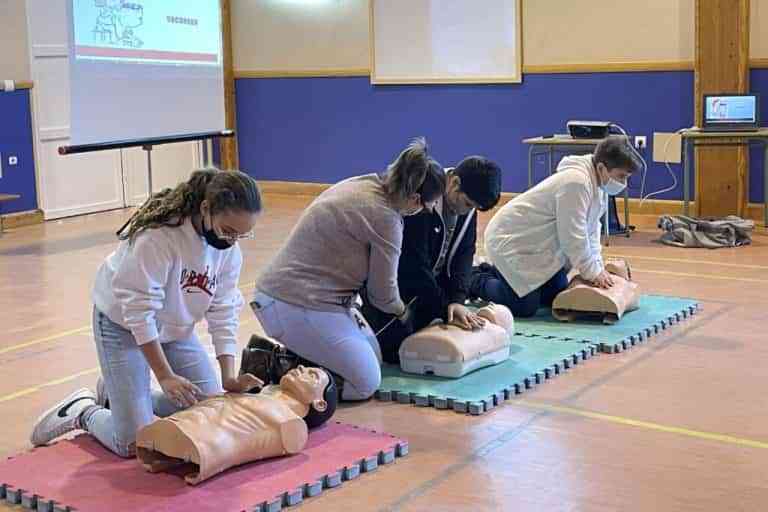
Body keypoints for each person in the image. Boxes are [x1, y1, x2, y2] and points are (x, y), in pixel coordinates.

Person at [30, 168, 263, 458]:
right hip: (122, 324)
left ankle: (118, 396)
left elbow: (224, 309)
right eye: (228, 230)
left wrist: (229, 377)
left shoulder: (229, 250)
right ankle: (83, 412)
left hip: (174, 330)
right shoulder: (158, 237)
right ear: (206, 209)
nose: (232, 241)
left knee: (210, 409)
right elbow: (139, 313)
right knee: (133, 443)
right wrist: (164, 375)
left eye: (242, 234)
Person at [251, 137, 445, 401]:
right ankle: (272, 363)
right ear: (414, 198)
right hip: (296, 302)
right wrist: (403, 312)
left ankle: (291, 356)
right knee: (365, 382)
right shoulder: (386, 219)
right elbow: (382, 295)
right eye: (427, 206)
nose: (428, 211)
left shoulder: (364, 183)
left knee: (374, 357)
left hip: (305, 298)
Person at [470, 136, 642, 317]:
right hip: (511, 241)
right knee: (524, 307)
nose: (623, 183)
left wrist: (597, 268)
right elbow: (573, 236)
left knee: (555, 295)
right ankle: (474, 278)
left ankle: (496, 272)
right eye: (621, 176)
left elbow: (591, 231)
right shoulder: (576, 183)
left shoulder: (598, 186)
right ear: (601, 168)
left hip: (535, 245)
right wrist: (592, 272)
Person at [360, 156, 503, 363]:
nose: (467, 210)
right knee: (391, 350)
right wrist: (444, 308)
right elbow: (415, 267)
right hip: (400, 282)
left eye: (473, 207)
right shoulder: (422, 197)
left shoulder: (467, 205)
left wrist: (457, 300)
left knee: (454, 328)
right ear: (454, 182)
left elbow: (464, 253)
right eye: (467, 204)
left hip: (431, 283)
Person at [136, 365, 337, 485]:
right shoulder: (259, 395)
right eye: (304, 367)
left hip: (198, 444)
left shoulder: (293, 426)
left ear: (320, 403)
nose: (300, 368)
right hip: (177, 427)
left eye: (311, 375)